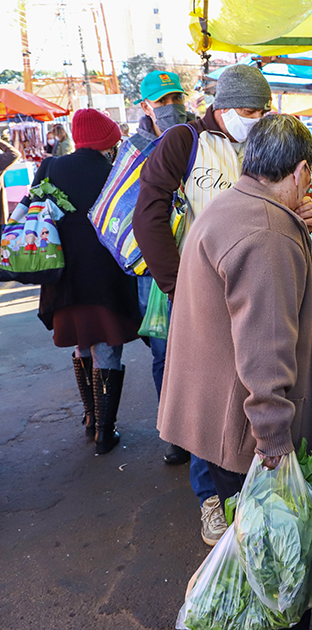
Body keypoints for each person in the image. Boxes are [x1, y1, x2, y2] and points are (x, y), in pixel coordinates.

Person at [158, 116, 312, 630]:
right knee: (271, 573)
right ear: (301, 170)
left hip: (213, 411)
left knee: (254, 563)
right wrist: (275, 443)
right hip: (244, 427)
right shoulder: (267, 233)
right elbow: (265, 349)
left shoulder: (233, 205)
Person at [134, 63, 285, 547]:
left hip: (251, 288)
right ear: (221, 106)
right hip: (201, 294)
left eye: (263, 110)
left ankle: (243, 486)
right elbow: (148, 213)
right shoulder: (184, 142)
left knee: (245, 391)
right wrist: (180, 288)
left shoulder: (258, 145)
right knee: (206, 399)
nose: (257, 118)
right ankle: (209, 500)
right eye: (248, 109)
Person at [28, 108, 141, 455]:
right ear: (106, 140)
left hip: (63, 277)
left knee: (81, 341)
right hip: (105, 277)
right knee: (106, 344)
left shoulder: (51, 168)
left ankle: (92, 416)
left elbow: (35, 211)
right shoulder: (114, 172)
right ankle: (105, 432)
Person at [116, 70, 193, 467]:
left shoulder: (200, 137)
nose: (170, 107)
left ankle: (202, 425)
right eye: (161, 101)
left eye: (175, 97)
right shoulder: (135, 148)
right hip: (154, 267)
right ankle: (176, 432)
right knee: (166, 352)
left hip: (197, 256)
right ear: (144, 106)